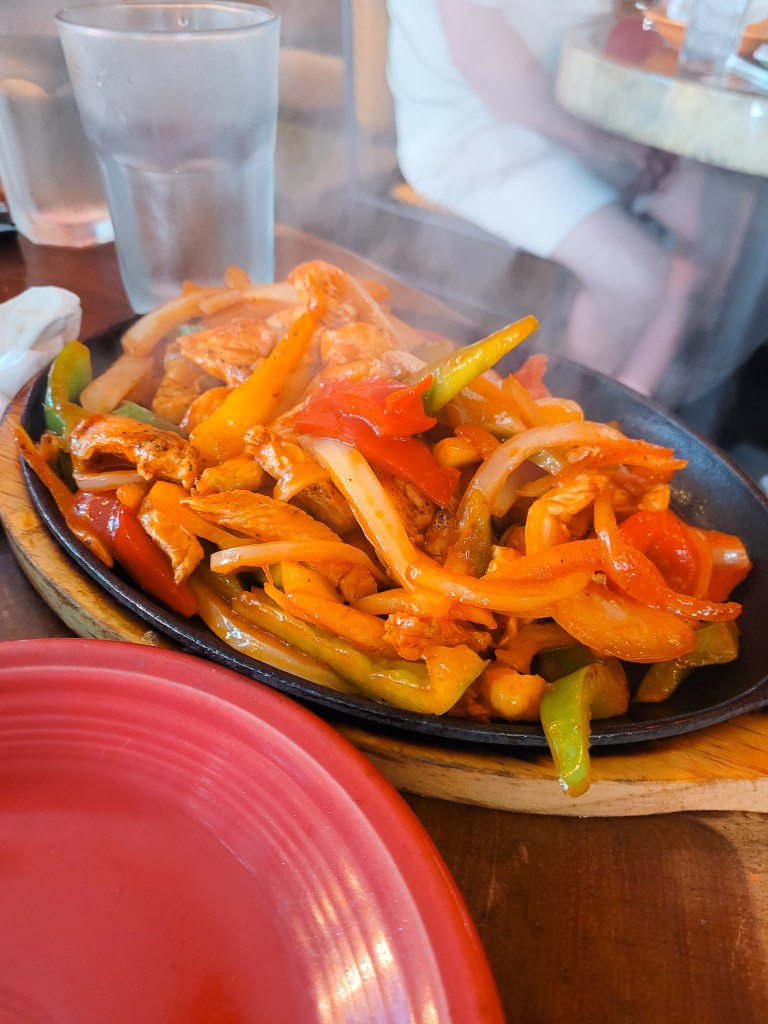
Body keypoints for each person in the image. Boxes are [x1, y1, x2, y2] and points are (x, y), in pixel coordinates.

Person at [385, 0, 707, 397]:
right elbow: (481, 56)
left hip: (577, 102)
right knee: (635, 280)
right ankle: (573, 413)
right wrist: (611, 150)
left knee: (710, 222)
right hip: (473, 128)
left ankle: (636, 395)